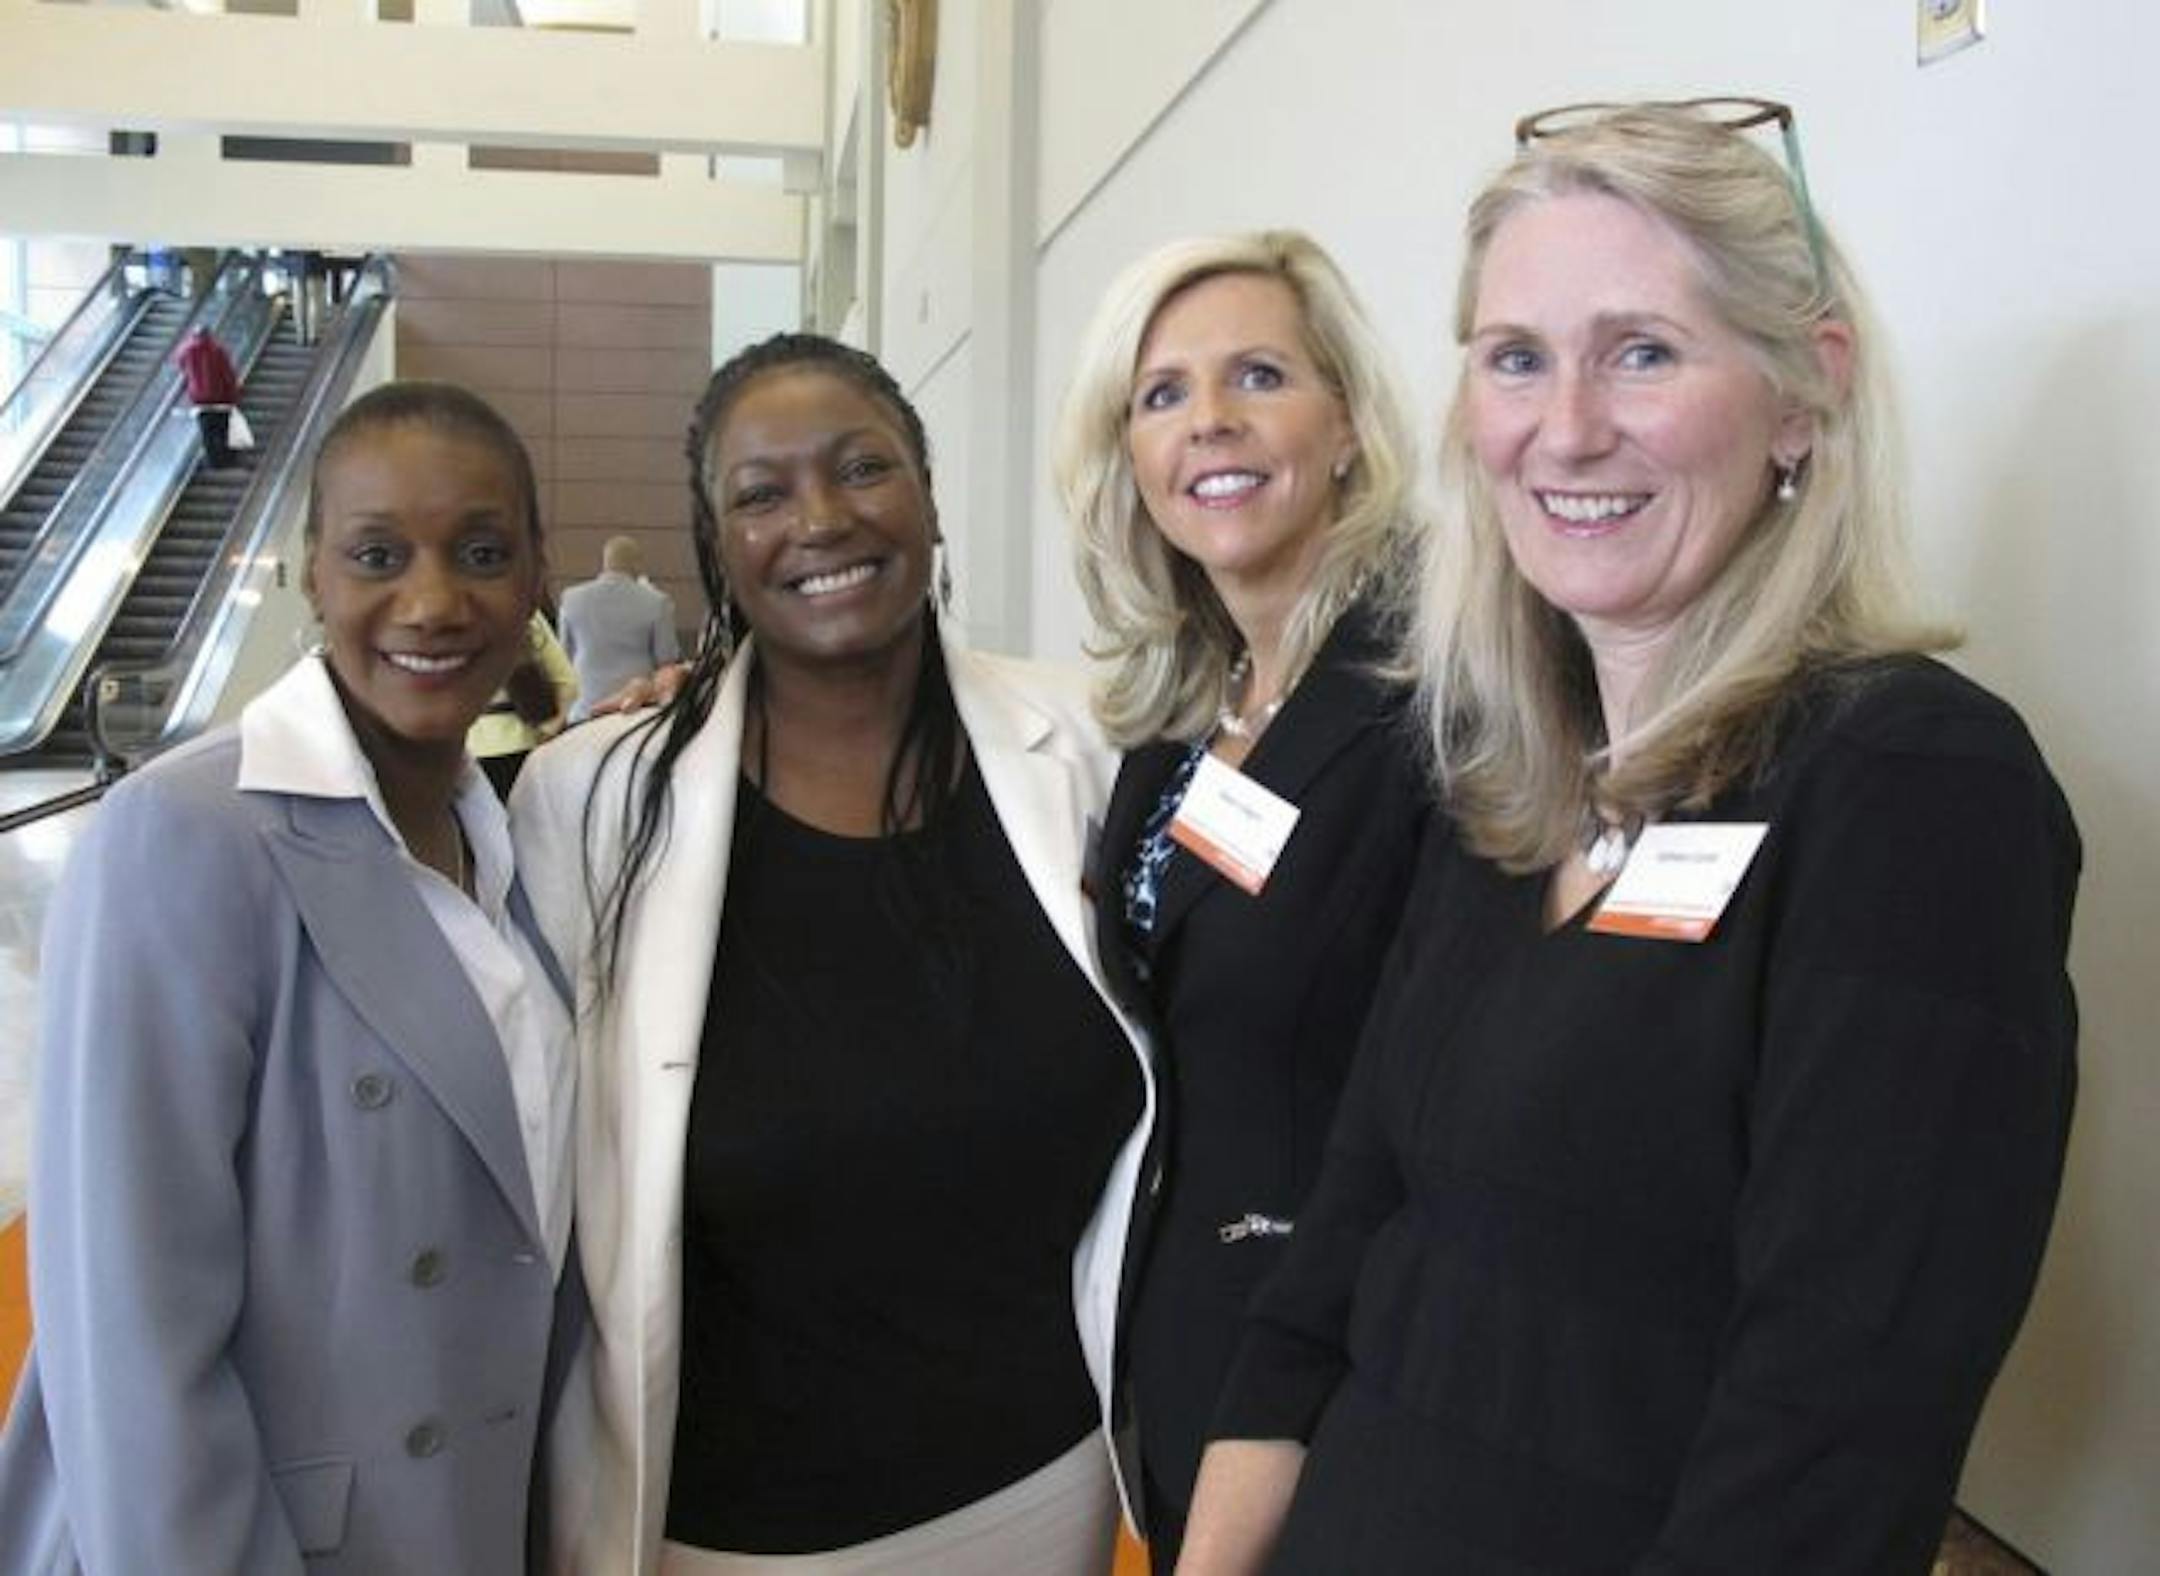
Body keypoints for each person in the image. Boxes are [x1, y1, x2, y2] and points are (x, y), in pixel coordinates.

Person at [1183, 101, 2079, 1574]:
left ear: (1806, 394)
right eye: (1517, 358)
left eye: (1644, 352)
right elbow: (1345, 1241)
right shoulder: (1509, 789)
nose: (1567, 427)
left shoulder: (1916, 787)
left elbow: (1833, 1436)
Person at [511, 332, 1153, 1573]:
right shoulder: (590, 800)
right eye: (760, 493)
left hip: (1045, 1478)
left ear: (927, 494)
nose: (819, 519)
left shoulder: (1087, 745)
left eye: (863, 468)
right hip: (731, 1523)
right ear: (713, 543)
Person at [0, 381, 578, 1572]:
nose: (431, 599)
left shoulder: (513, 844)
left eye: (480, 552)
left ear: (535, 581)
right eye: (378, 553)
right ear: (309, 575)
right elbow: (128, 1339)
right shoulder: (186, 836)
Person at [1052, 230, 1433, 1569]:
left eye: (1257, 375)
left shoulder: (1441, 695)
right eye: (1161, 394)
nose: (1207, 421)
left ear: (1345, 425)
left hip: (1357, 1386)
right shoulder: (1177, 717)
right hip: (1185, 1352)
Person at [558, 534, 681, 721]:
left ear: (605, 562)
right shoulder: (657, 602)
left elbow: (563, 655)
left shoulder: (571, 598)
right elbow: (667, 660)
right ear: (638, 564)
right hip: (633, 710)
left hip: (583, 708)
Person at [469, 605, 579, 798]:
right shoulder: (524, 610)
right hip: (523, 747)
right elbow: (568, 683)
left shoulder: (440, 611)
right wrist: (548, 730)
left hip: (460, 755)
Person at [174, 323, 242, 470]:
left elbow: (181, 366)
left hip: (199, 399)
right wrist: (234, 395)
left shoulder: (185, 350)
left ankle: (213, 462)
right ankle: (228, 459)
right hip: (221, 397)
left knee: (207, 433)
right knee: (223, 429)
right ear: (209, 335)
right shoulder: (217, 350)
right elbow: (227, 374)